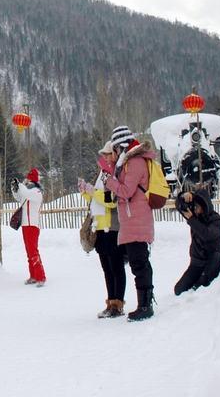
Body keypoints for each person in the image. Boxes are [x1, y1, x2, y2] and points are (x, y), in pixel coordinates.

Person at [100, 125, 156, 321]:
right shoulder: (128, 162)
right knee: (137, 263)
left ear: (121, 146)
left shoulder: (135, 162)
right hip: (132, 220)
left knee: (139, 263)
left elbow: (126, 191)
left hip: (137, 220)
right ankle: (145, 302)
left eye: (115, 148)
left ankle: (145, 305)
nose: (113, 153)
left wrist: (110, 182)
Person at [79, 140, 126, 318]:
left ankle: (117, 303)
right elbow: (96, 199)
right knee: (107, 268)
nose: (105, 157)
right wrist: (86, 191)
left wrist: (92, 192)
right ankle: (111, 301)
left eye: (107, 154)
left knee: (116, 267)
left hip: (112, 226)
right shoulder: (102, 173)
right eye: (104, 154)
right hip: (100, 226)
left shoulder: (115, 173)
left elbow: (110, 199)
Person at [174, 186, 220, 295]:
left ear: (204, 205)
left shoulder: (216, 219)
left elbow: (206, 234)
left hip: (212, 259)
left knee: (202, 285)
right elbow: (179, 206)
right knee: (179, 290)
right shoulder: (194, 217)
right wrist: (185, 196)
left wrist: (192, 220)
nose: (195, 208)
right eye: (194, 205)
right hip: (197, 262)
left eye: (197, 206)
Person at [10, 168, 46, 287]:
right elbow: (19, 197)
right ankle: (33, 275)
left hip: (32, 225)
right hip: (25, 225)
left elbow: (24, 193)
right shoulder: (29, 192)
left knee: (33, 251)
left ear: (33, 181)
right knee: (29, 252)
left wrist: (20, 185)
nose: (27, 182)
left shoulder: (36, 192)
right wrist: (14, 189)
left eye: (29, 180)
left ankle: (41, 276)